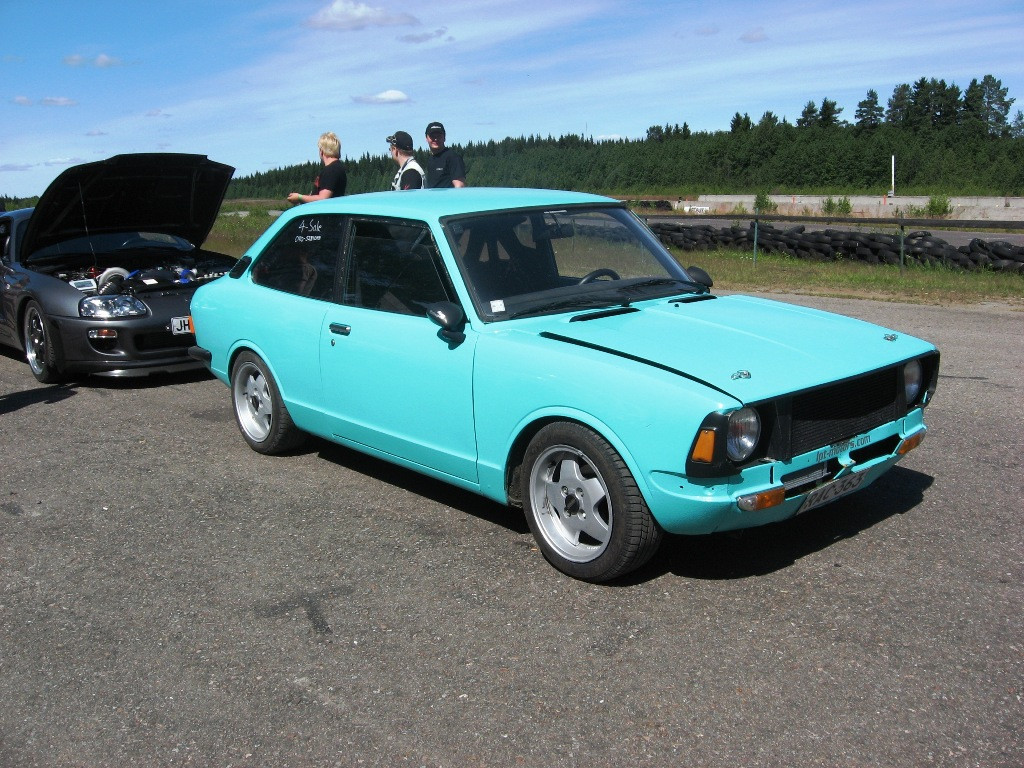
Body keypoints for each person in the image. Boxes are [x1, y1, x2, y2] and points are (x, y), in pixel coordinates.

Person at [288, 132, 346, 204]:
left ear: (322, 151)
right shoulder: (338, 168)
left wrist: (299, 197)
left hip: (325, 214)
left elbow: (323, 198)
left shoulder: (331, 170)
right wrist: (303, 200)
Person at [423, 122, 466, 188]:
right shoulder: (430, 160)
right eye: (432, 136)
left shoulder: (453, 158)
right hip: (432, 198)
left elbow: (459, 186)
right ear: (426, 138)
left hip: (448, 198)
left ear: (444, 137)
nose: (436, 139)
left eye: (439, 136)